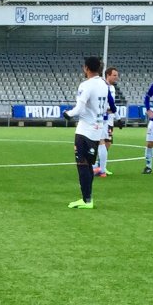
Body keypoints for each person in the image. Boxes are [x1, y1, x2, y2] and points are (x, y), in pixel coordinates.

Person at [63, 55, 110, 209]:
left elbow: (79, 108)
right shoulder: (104, 84)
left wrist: (68, 114)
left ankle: (86, 200)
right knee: (89, 164)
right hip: (97, 129)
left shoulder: (86, 85)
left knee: (82, 164)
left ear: (86, 68)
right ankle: (88, 198)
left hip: (85, 130)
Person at [94, 66, 120, 177]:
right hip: (103, 119)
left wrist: (117, 117)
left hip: (108, 120)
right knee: (101, 143)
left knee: (106, 143)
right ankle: (100, 167)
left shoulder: (112, 88)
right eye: (114, 75)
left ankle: (100, 167)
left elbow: (112, 104)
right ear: (108, 75)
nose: (116, 77)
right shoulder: (103, 86)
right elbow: (109, 105)